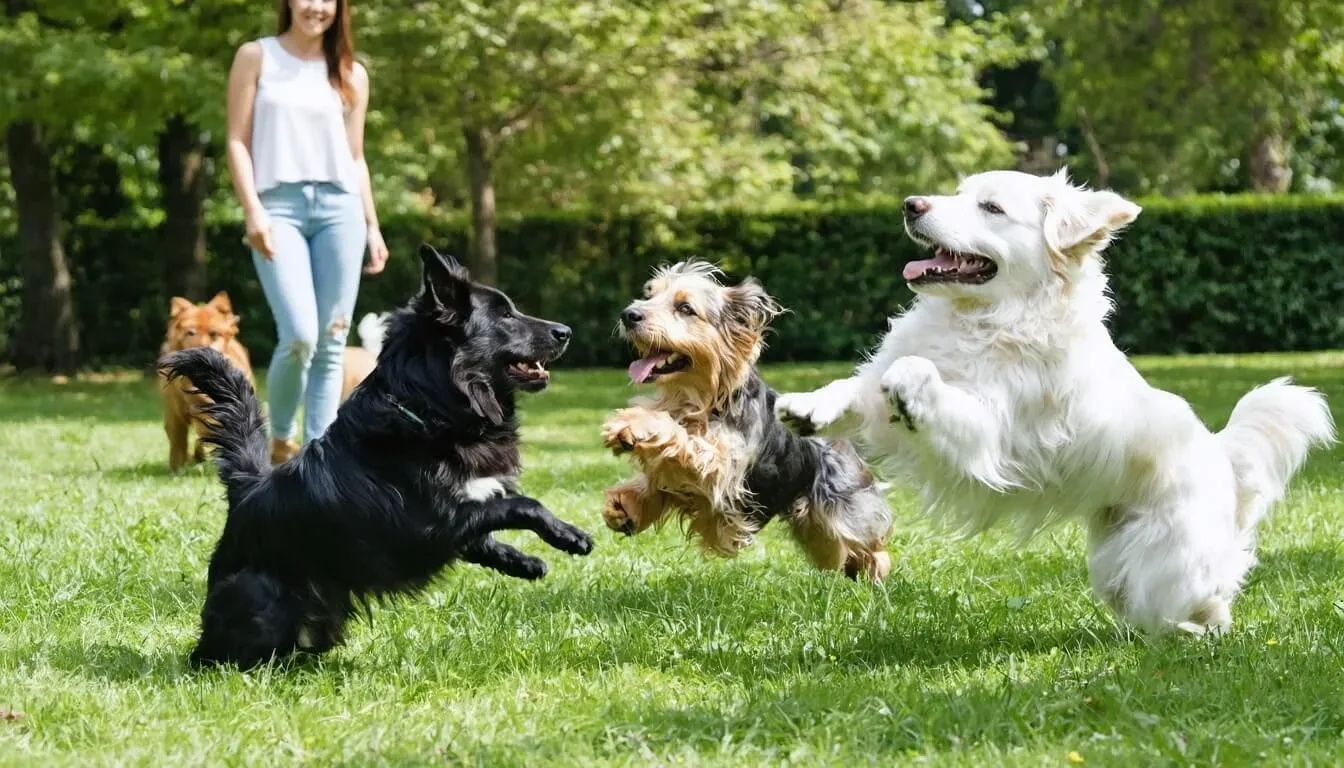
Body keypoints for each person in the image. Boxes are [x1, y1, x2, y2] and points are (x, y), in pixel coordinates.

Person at [224, 0, 389, 465]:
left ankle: (319, 452)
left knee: (332, 339)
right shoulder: (256, 56)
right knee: (299, 334)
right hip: (278, 205)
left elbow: (355, 157)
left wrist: (372, 225)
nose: (315, 7)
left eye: (326, 0)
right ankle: (280, 442)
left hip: (341, 208)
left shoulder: (351, 74)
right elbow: (236, 139)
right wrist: (252, 210)